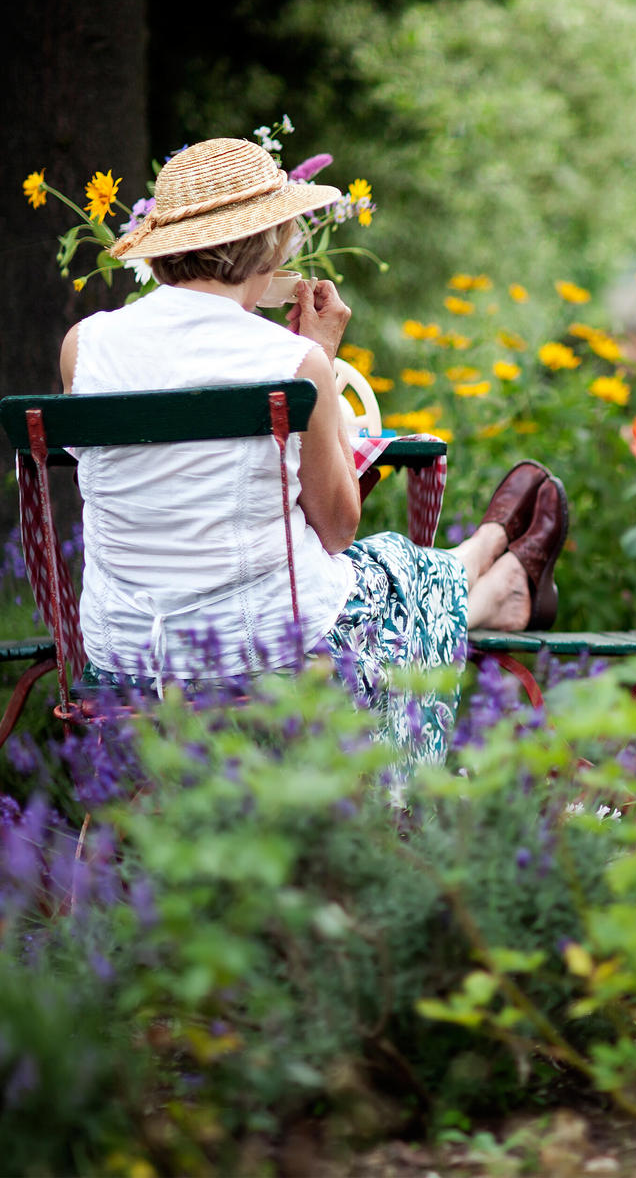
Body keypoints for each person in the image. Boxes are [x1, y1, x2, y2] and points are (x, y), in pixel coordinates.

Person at [59, 137, 568, 789]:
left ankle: (490, 577)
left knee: (376, 572)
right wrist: (320, 361)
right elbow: (334, 531)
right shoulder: (290, 364)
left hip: (125, 648)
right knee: (384, 561)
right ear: (272, 245)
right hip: (262, 648)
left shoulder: (87, 346)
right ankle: (486, 575)